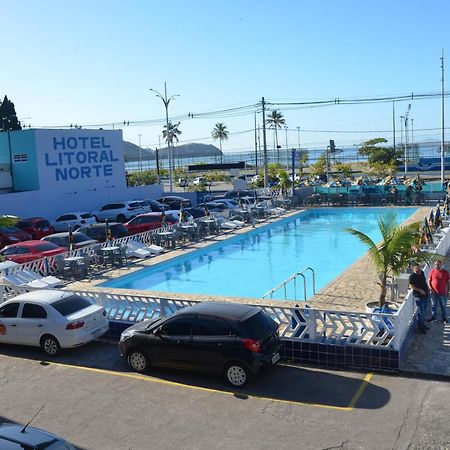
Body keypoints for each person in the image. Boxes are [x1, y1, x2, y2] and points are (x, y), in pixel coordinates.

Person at [409, 264, 430, 334]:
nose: (418, 270)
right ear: (414, 269)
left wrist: (427, 288)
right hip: (418, 296)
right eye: (417, 269)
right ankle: (420, 326)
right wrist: (420, 290)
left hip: (426, 295)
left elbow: (424, 282)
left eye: (419, 268)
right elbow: (411, 286)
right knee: (421, 312)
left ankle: (422, 324)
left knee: (423, 311)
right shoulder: (412, 276)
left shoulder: (422, 273)